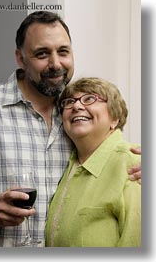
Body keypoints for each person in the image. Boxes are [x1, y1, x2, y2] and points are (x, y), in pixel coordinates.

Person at [0, 11, 141, 247]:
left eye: (63, 52)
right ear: (21, 59)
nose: (55, 64)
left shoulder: (76, 116)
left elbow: (114, 154)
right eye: (42, 53)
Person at [45, 77, 141, 247]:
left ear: (115, 118)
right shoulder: (68, 166)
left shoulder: (133, 163)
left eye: (90, 99)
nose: (76, 106)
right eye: (69, 102)